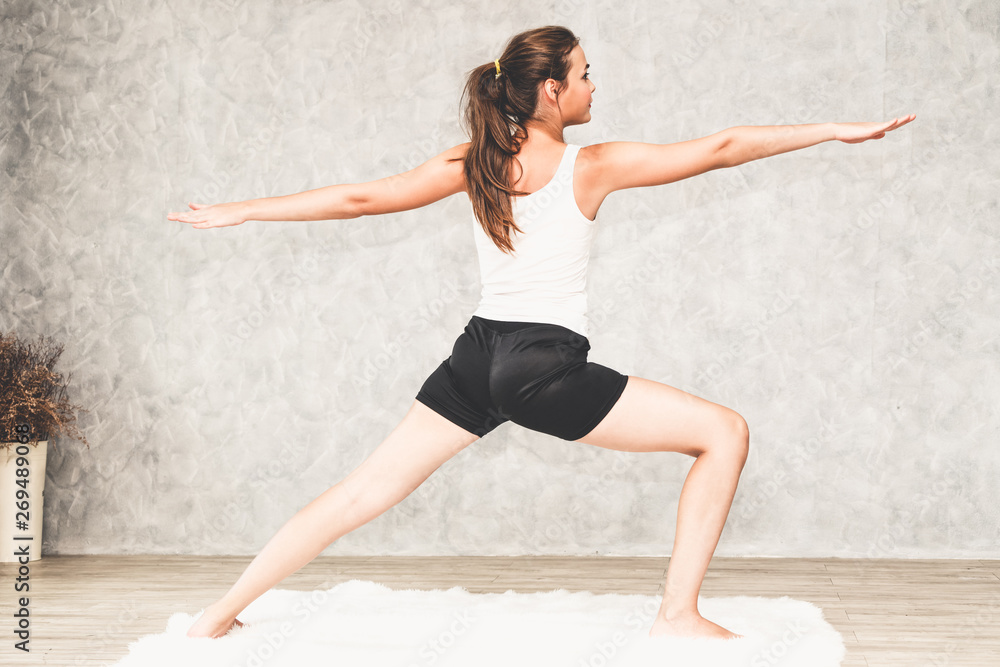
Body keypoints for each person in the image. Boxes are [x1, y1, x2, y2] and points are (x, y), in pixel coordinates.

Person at [168, 25, 914, 642]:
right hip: (538, 364)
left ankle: (216, 616)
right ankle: (677, 615)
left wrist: (244, 209)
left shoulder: (478, 161)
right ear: (551, 89)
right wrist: (831, 130)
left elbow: (363, 198)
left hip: (479, 352)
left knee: (360, 491)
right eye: (586, 75)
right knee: (725, 432)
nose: (595, 87)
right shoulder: (591, 165)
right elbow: (721, 148)